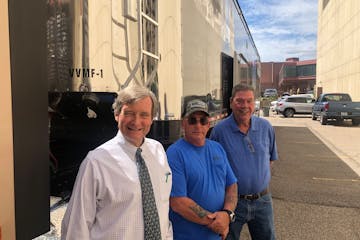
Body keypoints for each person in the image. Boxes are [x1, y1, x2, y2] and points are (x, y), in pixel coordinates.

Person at [61, 85, 173, 239]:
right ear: (116, 114)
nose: (136, 121)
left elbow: (162, 209)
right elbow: (76, 227)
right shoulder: (96, 161)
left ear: (152, 119)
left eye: (144, 115)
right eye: (129, 113)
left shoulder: (158, 151)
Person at [210, 84, 278, 240]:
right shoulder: (219, 131)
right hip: (234, 203)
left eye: (249, 101)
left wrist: (258, 181)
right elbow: (214, 169)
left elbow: (270, 160)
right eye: (240, 101)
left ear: (254, 103)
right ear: (231, 102)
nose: (245, 106)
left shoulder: (265, 127)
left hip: (263, 201)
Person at [167, 99, 238, 240]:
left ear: (209, 123)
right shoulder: (174, 153)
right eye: (192, 120)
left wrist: (227, 214)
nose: (198, 125)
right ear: (183, 123)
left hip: (216, 235)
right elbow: (178, 202)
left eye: (203, 120)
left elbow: (232, 184)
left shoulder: (217, 148)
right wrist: (217, 222)